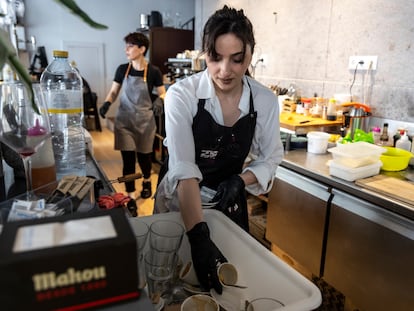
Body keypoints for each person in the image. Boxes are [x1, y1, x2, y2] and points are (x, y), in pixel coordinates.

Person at [154, 6, 284, 294]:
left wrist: (241, 180)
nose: (225, 71)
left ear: (251, 54)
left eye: (237, 60)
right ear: (204, 53)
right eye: (215, 58)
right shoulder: (182, 95)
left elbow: (271, 156)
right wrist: (198, 234)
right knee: (173, 274)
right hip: (181, 197)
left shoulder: (263, 101)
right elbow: (185, 169)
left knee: (229, 279)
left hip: (228, 199)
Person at [99, 32, 166, 208]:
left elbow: (163, 93)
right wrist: (107, 103)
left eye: (130, 46)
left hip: (145, 122)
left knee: (145, 158)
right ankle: (129, 197)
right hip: (125, 122)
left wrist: (160, 100)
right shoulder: (122, 69)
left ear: (142, 49)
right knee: (128, 160)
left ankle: (146, 181)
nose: (126, 49)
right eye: (126, 45)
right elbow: (114, 91)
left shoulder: (153, 71)